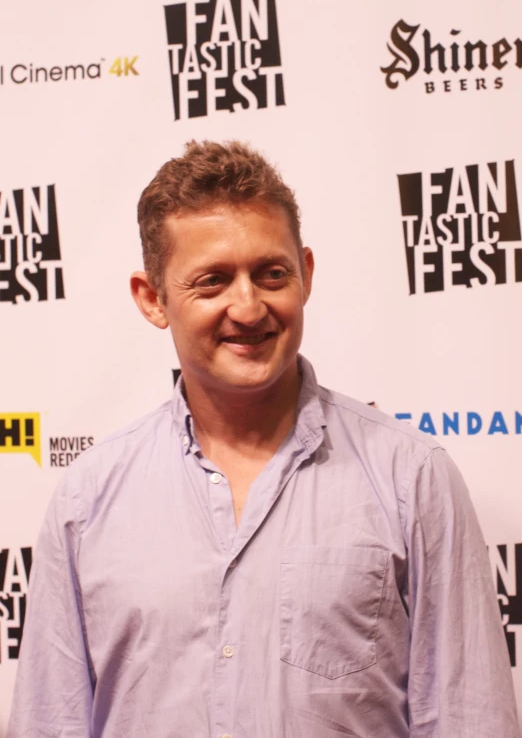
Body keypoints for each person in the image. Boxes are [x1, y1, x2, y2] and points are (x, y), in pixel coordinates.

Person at [7, 141, 519, 738]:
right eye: (213, 281)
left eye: (271, 273)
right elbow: (51, 723)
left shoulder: (412, 474)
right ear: (153, 300)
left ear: (305, 274)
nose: (248, 308)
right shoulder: (86, 502)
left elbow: (469, 717)